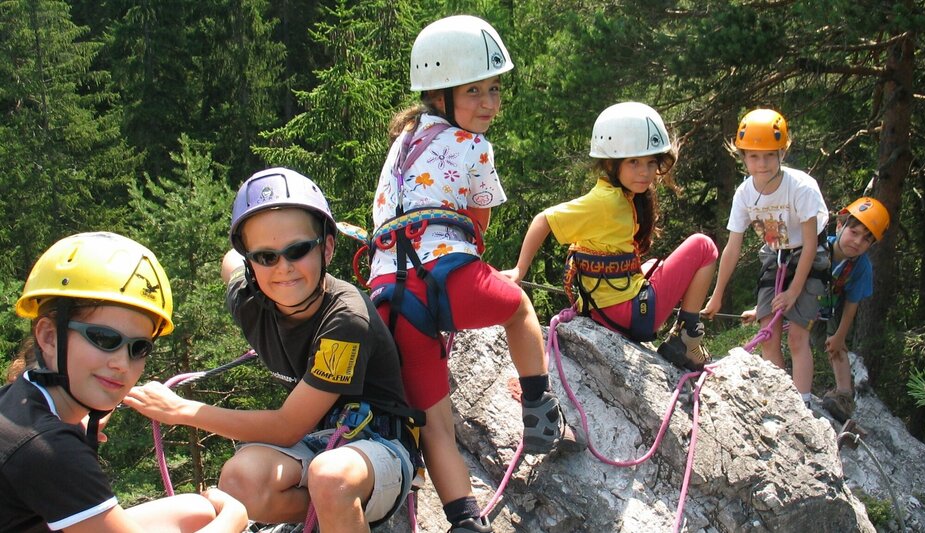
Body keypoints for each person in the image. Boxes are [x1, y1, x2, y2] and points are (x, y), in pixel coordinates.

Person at [366, 15, 580, 533]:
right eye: (475, 91)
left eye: (494, 89)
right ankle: (539, 412)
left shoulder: (403, 140)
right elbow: (478, 220)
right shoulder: (473, 146)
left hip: (387, 291)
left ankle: (463, 519)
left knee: (435, 422)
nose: (489, 103)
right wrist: (479, 269)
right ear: (441, 94)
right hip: (445, 272)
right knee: (520, 309)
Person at [124, 168, 420, 533]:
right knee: (239, 481)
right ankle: (333, 516)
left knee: (330, 478)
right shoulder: (249, 298)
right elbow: (229, 264)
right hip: (315, 444)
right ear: (251, 262)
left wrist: (180, 410)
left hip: (379, 447)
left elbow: (285, 427)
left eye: (297, 250)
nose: (283, 269)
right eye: (266, 257)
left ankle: (336, 507)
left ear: (326, 247)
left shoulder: (346, 320)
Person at [1, 231, 248, 533]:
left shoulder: (18, 402)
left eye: (138, 348)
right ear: (49, 336)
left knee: (196, 512)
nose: (122, 363)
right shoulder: (49, 448)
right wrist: (235, 517)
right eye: (104, 339)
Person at [503, 101, 719, 371]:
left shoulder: (616, 196)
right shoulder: (607, 203)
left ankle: (682, 333)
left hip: (603, 311)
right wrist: (519, 270)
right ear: (610, 163)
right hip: (629, 317)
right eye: (634, 162)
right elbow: (543, 219)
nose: (645, 172)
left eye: (651, 162)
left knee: (652, 266)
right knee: (704, 246)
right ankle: (689, 338)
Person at [702, 108, 829, 405]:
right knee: (768, 335)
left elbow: (810, 245)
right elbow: (733, 245)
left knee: (797, 336)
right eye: (754, 156)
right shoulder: (744, 194)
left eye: (770, 155)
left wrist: (794, 292)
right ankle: (785, 402)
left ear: (782, 152)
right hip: (775, 256)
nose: (762, 164)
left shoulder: (801, 188)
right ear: (743, 156)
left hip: (810, 257)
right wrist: (717, 295)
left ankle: (804, 404)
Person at [812, 197, 889, 421]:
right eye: (854, 232)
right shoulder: (819, 248)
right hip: (808, 297)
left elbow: (852, 304)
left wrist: (840, 336)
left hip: (834, 304)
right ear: (840, 225)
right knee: (802, 336)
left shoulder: (861, 267)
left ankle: (844, 395)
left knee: (833, 343)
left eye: (866, 239)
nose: (857, 242)